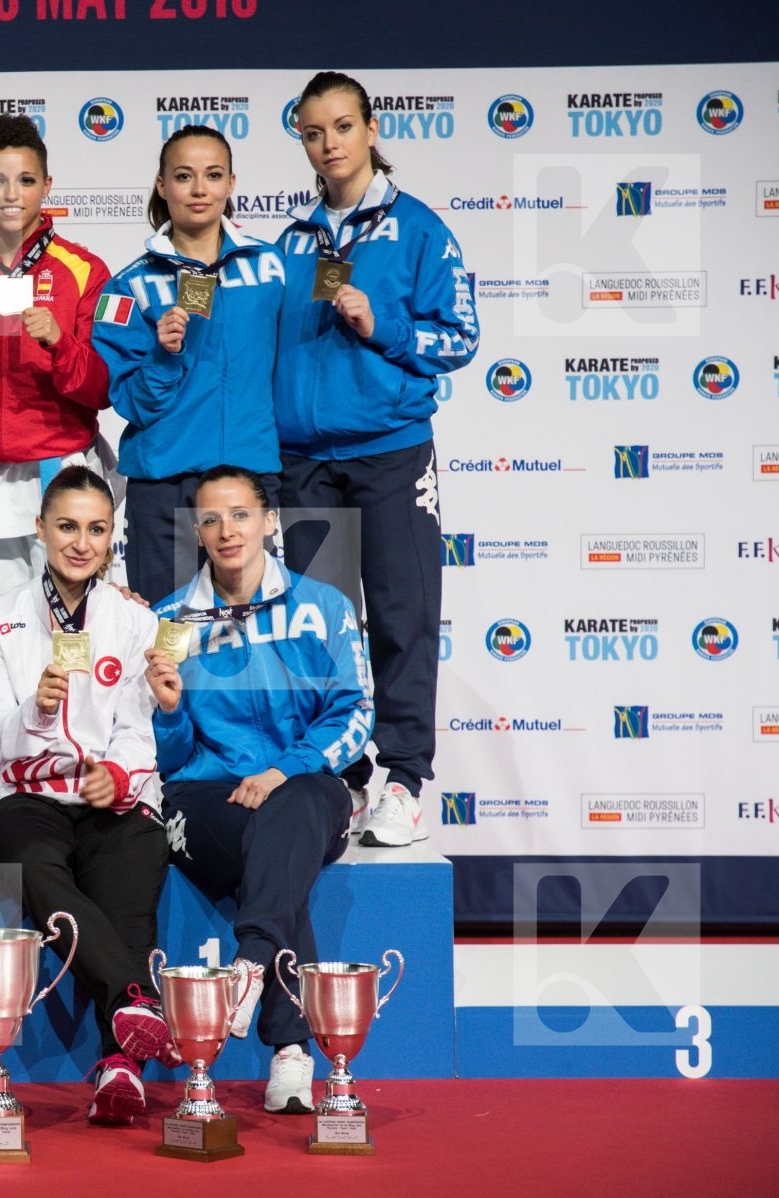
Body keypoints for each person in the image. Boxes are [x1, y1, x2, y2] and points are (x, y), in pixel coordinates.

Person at [274, 71, 480, 842]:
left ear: (370, 129)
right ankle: (346, 774)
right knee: (323, 630)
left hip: (391, 453)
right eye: (313, 132)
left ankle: (403, 779)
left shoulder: (419, 229)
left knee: (402, 619)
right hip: (304, 461)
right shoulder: (292, 241)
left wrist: (382, 323)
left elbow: (460, 338)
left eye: (341, 127)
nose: (329, 144)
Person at [145, 466, 373, 1117]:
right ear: (196, 530)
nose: (228, 530)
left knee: (290, 812)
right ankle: (291, 1048)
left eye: (241, 514)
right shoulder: (168, 622)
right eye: (212, 518)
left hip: (301, 789)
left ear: (269, 521)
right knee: (273, 853)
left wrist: (283, 770)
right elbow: (167, 758)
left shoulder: (323, 607)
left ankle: (249, 966)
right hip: (206, 798)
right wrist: (168, 712)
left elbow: (355, 711)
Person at [0, 466, 172, 1126]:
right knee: (27, 859)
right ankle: (134, 996)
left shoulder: (136, 620)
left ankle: (118, 1065)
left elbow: (138, 728)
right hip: (28, 793)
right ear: (40, 529)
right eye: (67, 527)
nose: (82, 543)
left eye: (97, 529)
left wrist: (118, 775)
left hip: (111, 794)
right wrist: (35, 709)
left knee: (129, 885)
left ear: (112, 537)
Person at [92, 125, 286, 603]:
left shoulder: (272, 267)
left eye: (213, 175)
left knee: (252, 631)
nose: (199, 189)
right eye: (184, 176)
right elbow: (130, 402)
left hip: (249, 479)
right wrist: (163, 355)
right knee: (168, 634)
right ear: (162, 186)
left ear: (231, 183)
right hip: (165, 484)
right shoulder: (128, 286)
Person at [0, 115, 114, 593]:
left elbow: (103, 388)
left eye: (26, 180)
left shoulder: (83, 270)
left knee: (71, 623)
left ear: (47, 186)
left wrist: (61, 343)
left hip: (58, 470)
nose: (11, 194)